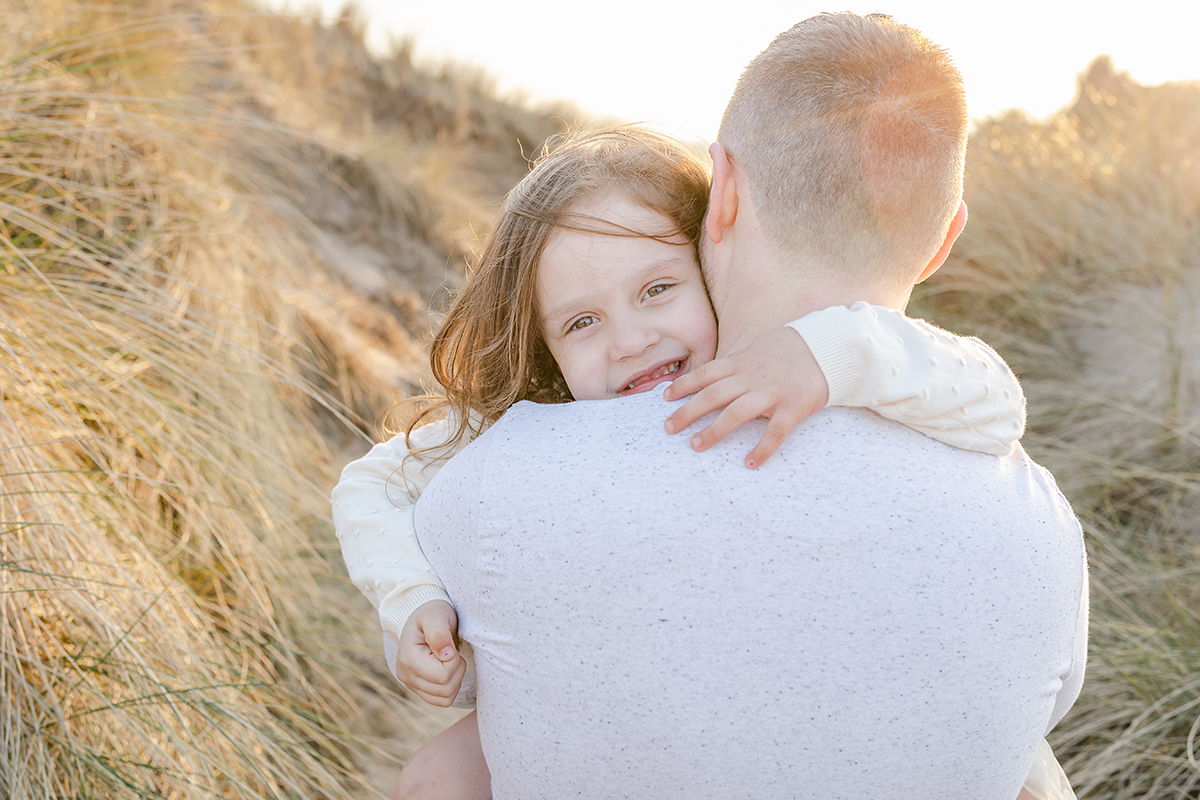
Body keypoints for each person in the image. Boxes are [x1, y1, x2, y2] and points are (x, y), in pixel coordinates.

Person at [392, 12, 1087, 800]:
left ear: (721, 191)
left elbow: (464, 659)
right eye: (585, 321)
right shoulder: (1046, 535)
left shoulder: (497, 485)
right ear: (942, 240)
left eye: (654, 290)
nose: (630, 339)